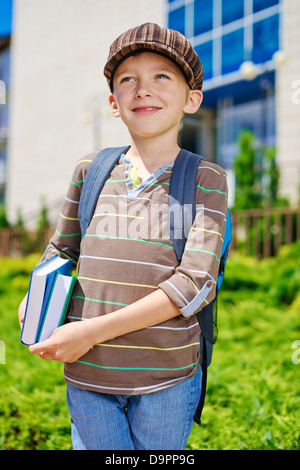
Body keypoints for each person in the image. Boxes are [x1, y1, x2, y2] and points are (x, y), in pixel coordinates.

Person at [18, 22, 228, 450]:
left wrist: (92, 330)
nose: (143, 89)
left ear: (192, 99)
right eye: (128, 79)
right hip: (87, 375)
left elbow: (195, 284)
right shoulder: (90, 170)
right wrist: (35, 295)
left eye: (161, 77)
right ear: (114, 103)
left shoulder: (206, 179)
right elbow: (61, 249)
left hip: (166, 378)